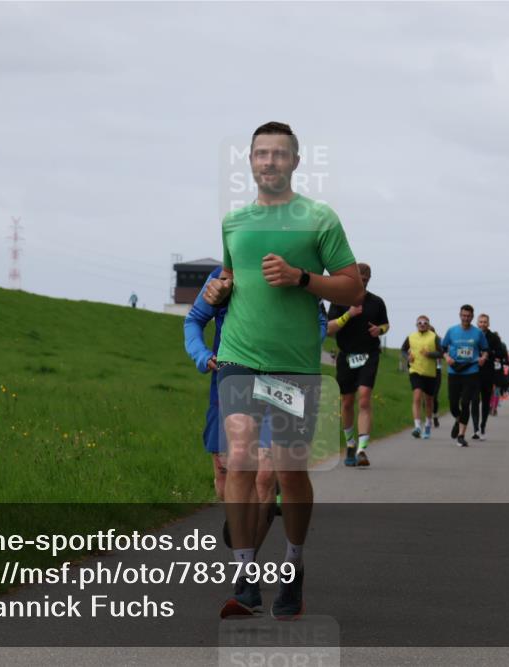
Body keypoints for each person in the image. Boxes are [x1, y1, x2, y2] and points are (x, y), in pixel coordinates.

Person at [203, 122, 363, 620]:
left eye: (279, 155)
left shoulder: (319, 219)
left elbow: (353, 288)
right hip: (237, 358)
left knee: (291, 473)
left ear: (295, 162)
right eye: (260, 154)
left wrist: (303, 279)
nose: (268, 162)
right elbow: (231, 275)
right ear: (249, 161)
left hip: (293, 365)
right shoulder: (234, 222)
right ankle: (246, 575)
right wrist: (217, 291)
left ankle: (291, 567)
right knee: (239, 457)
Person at [185, 266, 327, 546]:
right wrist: (202, 355)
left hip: (280, 381)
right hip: (230, 384)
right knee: (225, 471)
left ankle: (246, 568)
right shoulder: (224, 274)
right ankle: (242, 526)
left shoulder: (290, 271)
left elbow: (319, 324)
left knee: (263, 475)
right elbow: (194, 320)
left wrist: (296, 349)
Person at [327, 263, 389, 467]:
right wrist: (349, 314)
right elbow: (329, 329)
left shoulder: (377, 302)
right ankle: (351, 444)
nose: (363, 278)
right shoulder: (339, 300)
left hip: (369, 354)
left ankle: (362, 449)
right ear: (353, 276)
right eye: (360, 275)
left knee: (364, 398)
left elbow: (386, 324)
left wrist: (379, 330)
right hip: (346, 356)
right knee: (347, 402)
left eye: (367, 275)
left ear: (370, 278)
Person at [440, 304, 489, 447]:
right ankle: (458, 418)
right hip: (454, 371)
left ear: (472, 317)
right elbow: (443, 348)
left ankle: (461, 435)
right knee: (453, 405)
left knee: (466, 403)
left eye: (468, 316)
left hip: (471, 371)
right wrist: (446, 357)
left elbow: (485, 349)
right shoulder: (452, 331)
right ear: (460, 315)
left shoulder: (478, 333)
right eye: (464, 315)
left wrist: (483, 358)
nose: (466, 318)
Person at [401, 315, 442, 440]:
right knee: (417, 396)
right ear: (416, 324)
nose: (422, 324)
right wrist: (407, 357)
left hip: (430, 372)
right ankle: (417, 426)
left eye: (425, 323)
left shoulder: (434, 337)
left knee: (429, 400)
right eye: (420, 322)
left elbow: (442, 352)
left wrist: (430, 354)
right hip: (415, 371)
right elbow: (403, 349)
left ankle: (428, 424)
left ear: (428, 325)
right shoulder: (411, 337)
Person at [469, 314, 507, 441]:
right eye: (480, 322)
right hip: (473, 371)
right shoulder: (472, 334)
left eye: (485, 322)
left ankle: (483, 425)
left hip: (488, 373)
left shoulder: (493, 337)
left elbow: (502, 353)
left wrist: (488, 353)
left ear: (488, 324)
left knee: (485, 401)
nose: (483, 324)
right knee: (474, 400)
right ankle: (475, 429)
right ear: (477, 323)